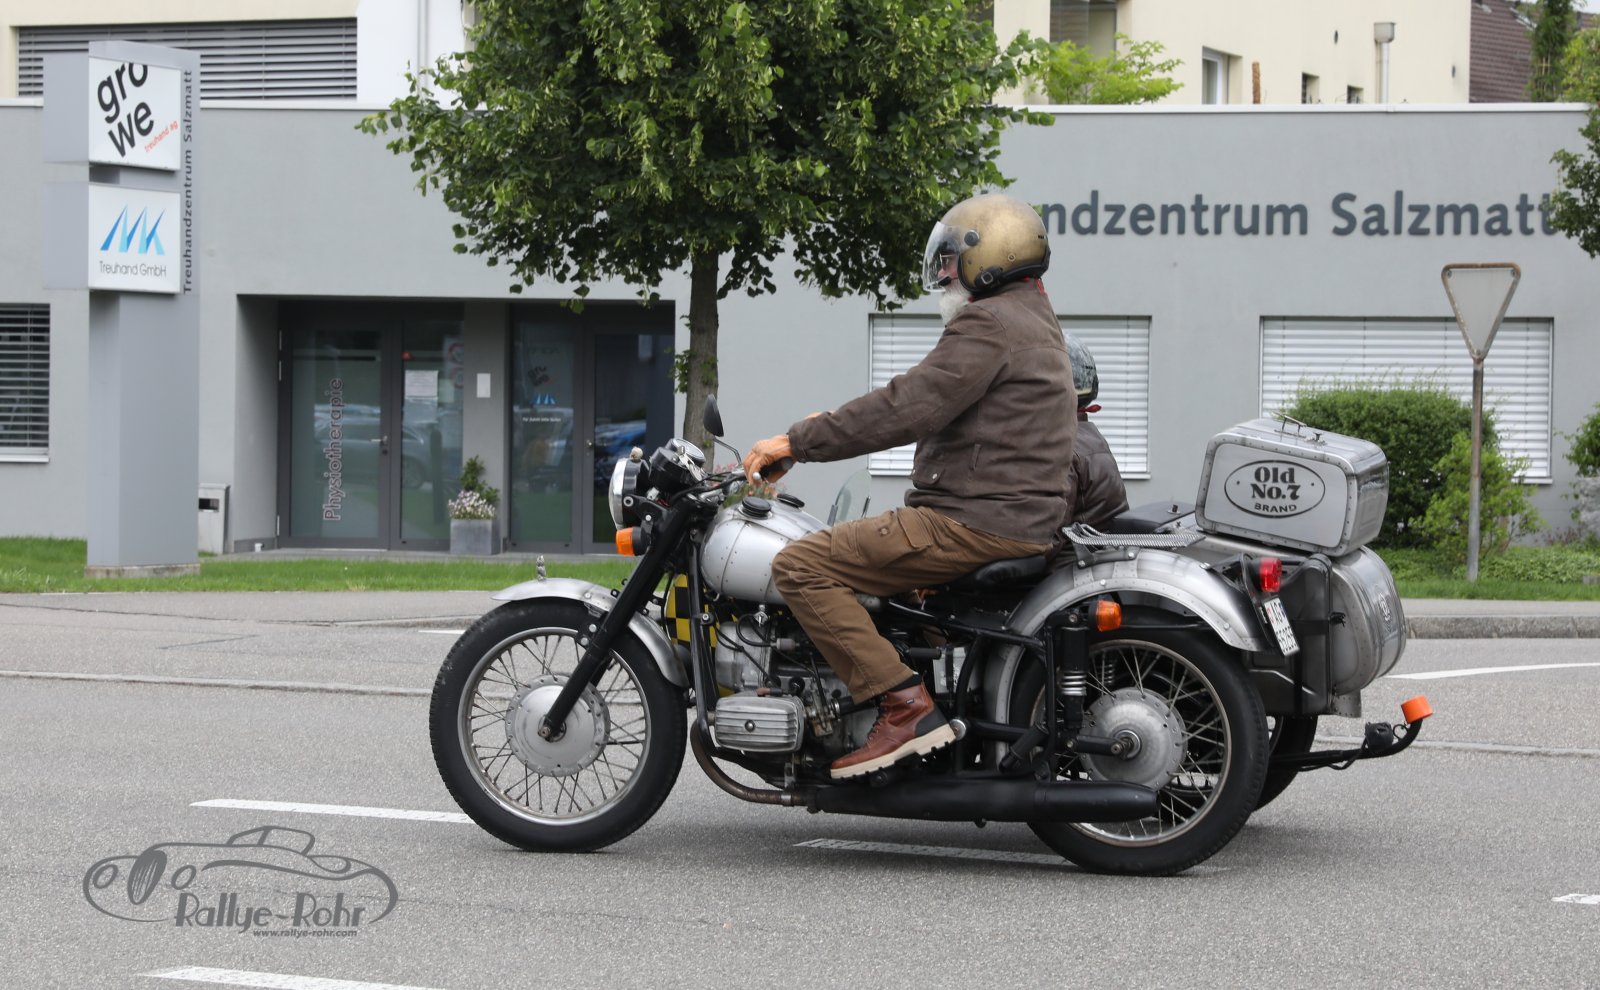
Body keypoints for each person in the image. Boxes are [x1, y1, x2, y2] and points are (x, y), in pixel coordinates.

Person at [742, 192, 1077, 780]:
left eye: (952, 261)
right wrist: (827, 426)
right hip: (1010, 518)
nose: (944, 275)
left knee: (799, 565)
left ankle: (902, 706)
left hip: (971, 520)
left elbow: (910, 404)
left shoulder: (990, 322)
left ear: (989, 258)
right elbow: (933, 404)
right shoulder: (1032, 319)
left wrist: (798, 441)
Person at [1062, 335, 1129, 532]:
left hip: (1074, 550)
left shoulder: (1063, 446)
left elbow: (1049, 534)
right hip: (1098, 546)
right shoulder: (1089, 434)